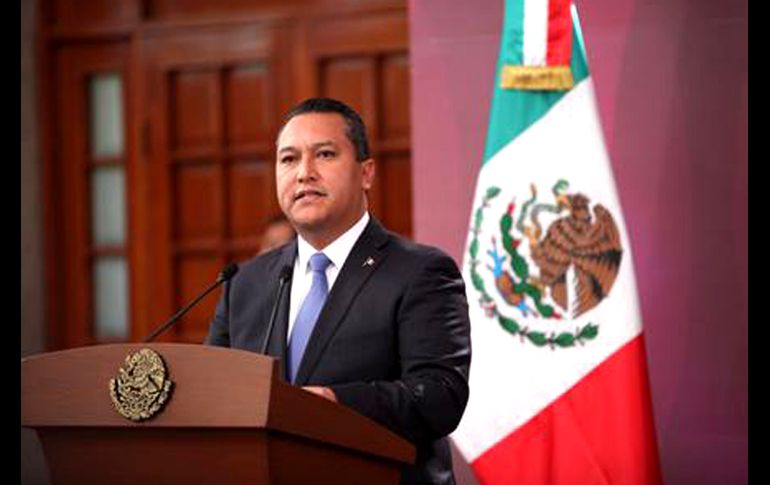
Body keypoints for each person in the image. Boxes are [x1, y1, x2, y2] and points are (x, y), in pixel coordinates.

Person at [206, 98, 471, 484]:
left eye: (325, 154)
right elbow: (214, 394)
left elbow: (439, 396)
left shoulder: (421, 272)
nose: (304, 173)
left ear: (366, 173)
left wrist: (335, 402)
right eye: (289, 159)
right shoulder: (244, 283)